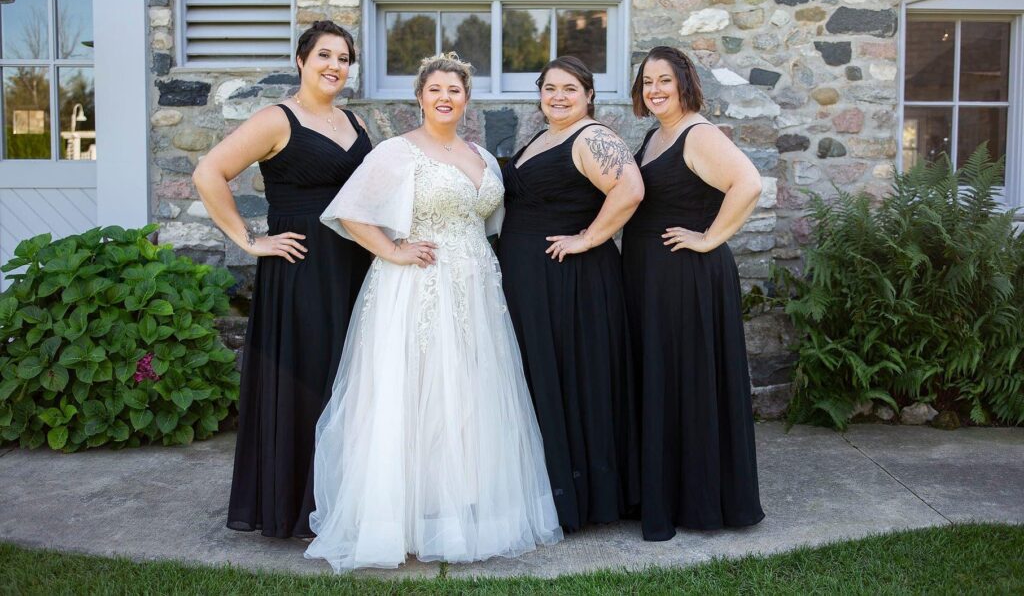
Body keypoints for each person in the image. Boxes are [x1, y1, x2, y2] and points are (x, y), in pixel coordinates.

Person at [304, 53, 561, 572]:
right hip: (416, 286)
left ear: (467, 99)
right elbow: (349, 212)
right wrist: (393, 250)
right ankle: (401, 520)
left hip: (476, 287)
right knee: (414, 393)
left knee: (467, 395)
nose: (446, 97)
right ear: (420, 97)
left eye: (456, 90)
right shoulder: (397, 152)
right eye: (436, 89)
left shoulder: (483, 157)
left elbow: (489, 220)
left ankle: (463, 514)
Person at [193, 21, 373, 539]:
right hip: (301, 269)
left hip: (354, 266)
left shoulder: (354, 122)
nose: (334, 66)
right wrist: (249, 241)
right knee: (307, 379)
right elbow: (209, 172)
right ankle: (294, 504)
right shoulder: (277, 118)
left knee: (349, 379)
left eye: (343, 58)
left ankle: (342, 501)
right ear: (301, 60)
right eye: (324, 55)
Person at [623, 46, 765, 541]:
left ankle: (699, 499)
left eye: (664, 80)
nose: (655, 90)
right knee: (664, 384)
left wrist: (708, 238)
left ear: (685, 83)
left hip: (685, 277)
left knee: (687, 383)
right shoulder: (656, 135)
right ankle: (666, 490)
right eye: (647, 83)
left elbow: (747, 183)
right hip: (651, 277)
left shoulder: (698, 133)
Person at [498, 56, 645, 533]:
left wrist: (587, 238)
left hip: (572, 283)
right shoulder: (544, 137)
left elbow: (630, 188)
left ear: (588, 95)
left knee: (574, 379)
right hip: (534, 284)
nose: (558, 97)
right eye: (549, 88)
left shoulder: (592, 136)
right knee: (545, 379)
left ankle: (584, 496)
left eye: (569, 89)